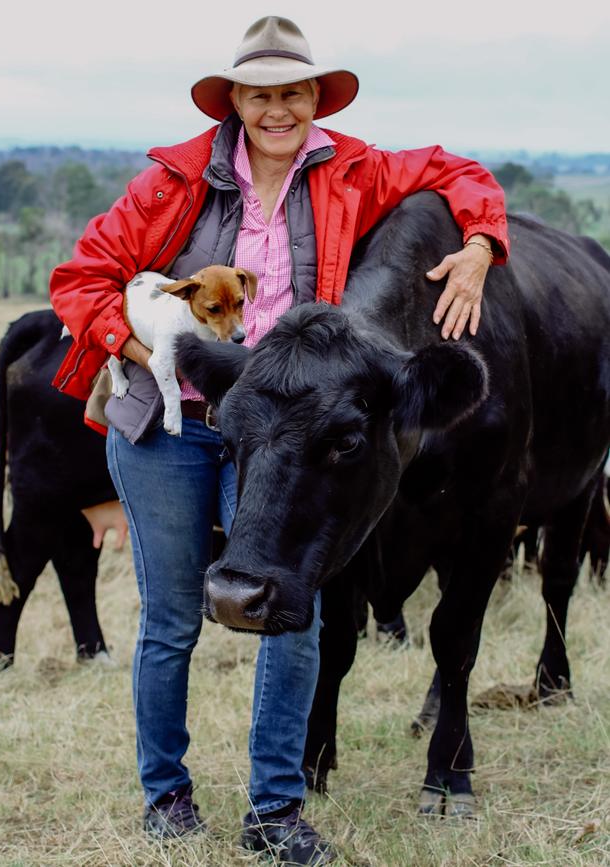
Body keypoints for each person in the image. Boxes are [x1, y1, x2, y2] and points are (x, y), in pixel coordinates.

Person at [50, 15, 509, 865]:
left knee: (291, 601)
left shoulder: (352, 169)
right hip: (168, 422)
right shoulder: (174, 180)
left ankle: (274, 811)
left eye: (292, 92)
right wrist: (136, 350)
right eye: (260, 94)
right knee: (172, 617)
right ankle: (166, 796)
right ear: (235, 101)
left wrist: (481, 243)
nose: (277, 109)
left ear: (313, 99)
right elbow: (81, 277)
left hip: (281, 429)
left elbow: (457, 171)